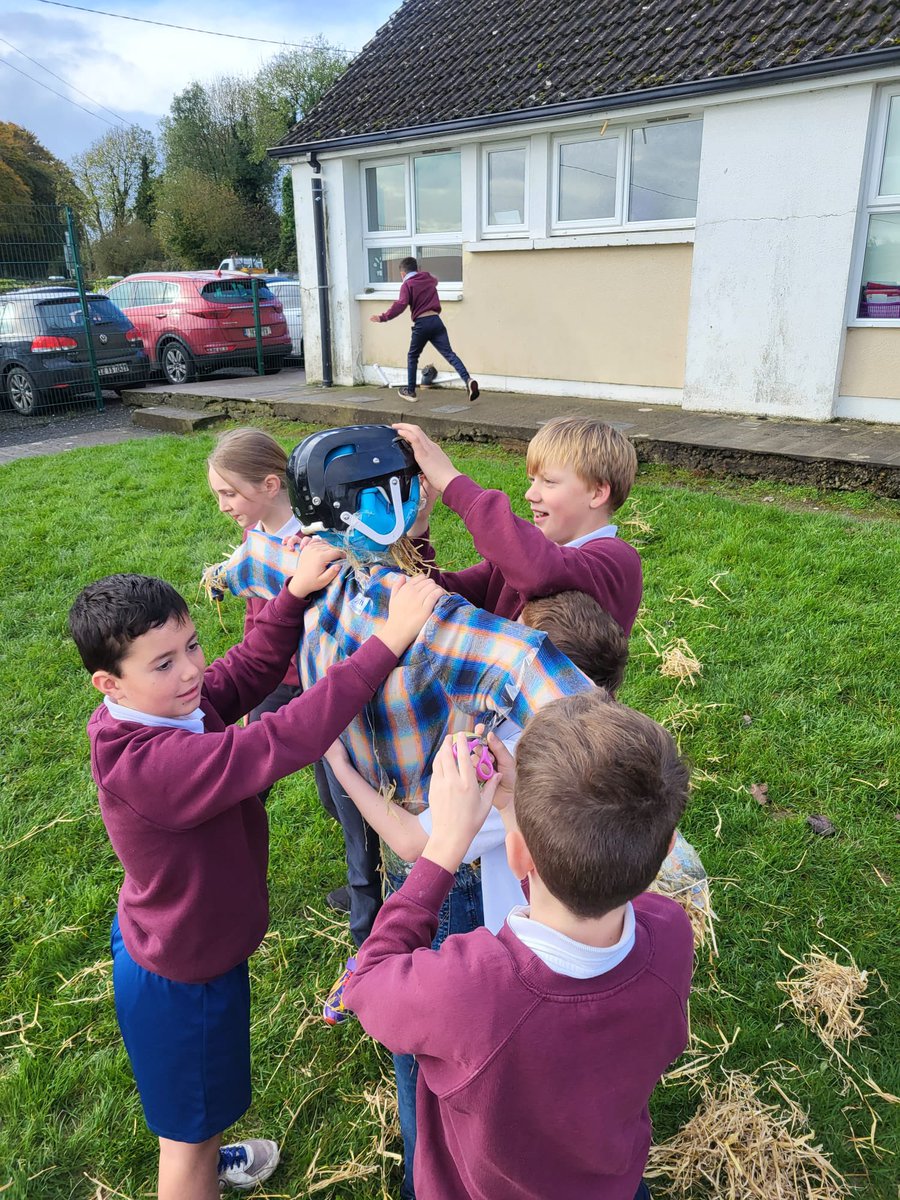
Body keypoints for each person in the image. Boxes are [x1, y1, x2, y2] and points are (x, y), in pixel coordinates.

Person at [67, 554, 443, 1200]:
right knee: (183, 1144)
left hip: (183, 946)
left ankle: (209, 1153)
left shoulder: (159, 709)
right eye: (164, 664)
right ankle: (197, 1168)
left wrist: (292, 595)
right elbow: (277, 742)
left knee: (201, 1110)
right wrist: (388, 640)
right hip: (183, 978)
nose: (190, 671)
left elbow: (240, 672)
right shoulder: (153, 763)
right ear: (110, 684)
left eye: (191, 646)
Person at [344, 691, 694, 1200]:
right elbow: (574, 905)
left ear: (516, 855)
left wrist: (445, 845)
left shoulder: (472, 992)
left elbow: (367, 980)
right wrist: (512, 811)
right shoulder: (670, 934)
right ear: (666, 849)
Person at [207, 427, 349, 913]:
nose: (223, 504)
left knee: (341, 794)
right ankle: (225, 876)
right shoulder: (253, 537)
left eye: (229, 492)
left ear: (270, 485)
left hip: (318, 679)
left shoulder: (316, 541)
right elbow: (257, 612)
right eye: (218, 494)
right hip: (269, 678)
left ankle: (370, 881)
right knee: (246, 780)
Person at [394, 415, 643, 636]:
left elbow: (540, 571)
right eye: (533, 480)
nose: (530, 494)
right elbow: (439, 597)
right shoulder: (515, 562)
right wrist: (419, 523)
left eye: (549, 481)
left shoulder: (616, 562)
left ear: (597, 494)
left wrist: (451, 481)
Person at [369, 256, 479, 403]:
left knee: (412, 356)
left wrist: (383, 317)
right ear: (418, 269)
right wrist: (425, 277)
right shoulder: (427, 278)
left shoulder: (407, 285)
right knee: (449, 353)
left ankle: (410, 391)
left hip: (422, 323)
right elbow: (436, 280)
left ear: (402, 274)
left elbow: (401, 304)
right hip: (436, 321)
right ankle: (468, 379)